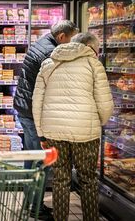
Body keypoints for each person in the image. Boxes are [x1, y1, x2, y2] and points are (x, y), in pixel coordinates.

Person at [32, 32, 114, 221]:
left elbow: (37, 102)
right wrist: (96, 122)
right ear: (91, 48)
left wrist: (41, 133)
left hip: (54, 131)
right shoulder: (94, 64)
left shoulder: (49, 64)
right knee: (88, 180)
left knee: (60, 179)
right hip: (86, 133)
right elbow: (105, 104)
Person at [13, 20, 78, 220]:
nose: (71, 43)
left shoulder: (43, 43)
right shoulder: (49, 53)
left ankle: (30, 202)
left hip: (25, 109)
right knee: (41, 160)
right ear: (61, 37)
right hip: (34, 112)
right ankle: (35, 207)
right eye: (71, 39)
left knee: (31, 157)